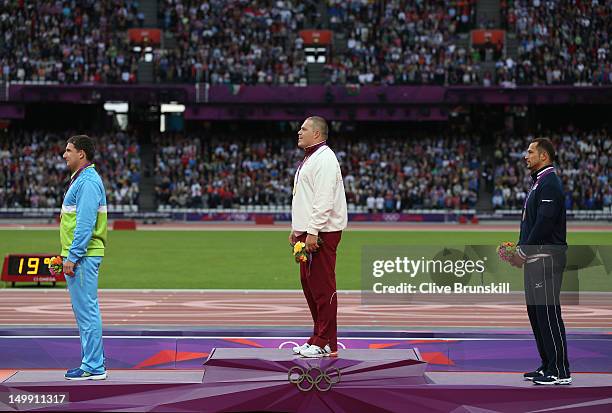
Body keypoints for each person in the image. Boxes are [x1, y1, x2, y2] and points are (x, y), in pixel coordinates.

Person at [510, 138, 571, 385]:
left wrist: (523, 251)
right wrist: (519, 249)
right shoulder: (540, 183)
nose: (526, 156)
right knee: (536, 313)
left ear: (543, 156)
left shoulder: (550, 184)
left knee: (547, 313)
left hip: (546, 257)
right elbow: (532, 223)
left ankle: (560, 370)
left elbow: (544, 224)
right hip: (536, 258)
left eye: (530, 151)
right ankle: (548, 364)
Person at [289, 116, 348, 358]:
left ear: (317, 134)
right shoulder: (311, 158)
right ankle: (318, 337)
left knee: (322, 287)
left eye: (304, 129)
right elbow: (305, 198)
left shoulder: (325, 158)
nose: (299, 132)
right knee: (310, 285)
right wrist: (297, 229)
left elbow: (323, 198)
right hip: (308, 232)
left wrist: (312, 230)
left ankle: (326, 341)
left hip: (321, 232)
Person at [61, 135, 108, 380]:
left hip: (84, 256)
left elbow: (85, 224)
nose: (64, 154)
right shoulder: (82, 180)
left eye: (68, 150)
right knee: (85, 311)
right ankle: (92, 363)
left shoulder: (87, 182)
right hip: (81, 255)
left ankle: (93, 366)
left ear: (81, 154)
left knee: (87, 311)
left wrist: (72, 256)